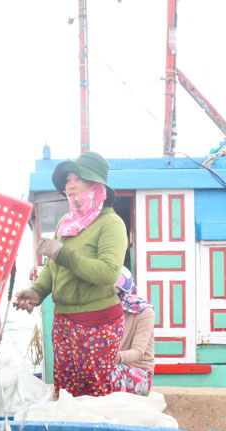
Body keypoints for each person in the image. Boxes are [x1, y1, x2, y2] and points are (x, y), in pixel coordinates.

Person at [13, 151, 127, 397]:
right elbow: (54, 267)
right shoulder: (67, 221)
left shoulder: (111, 224)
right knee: (66, 393)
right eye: (67, 180)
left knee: (97, 395)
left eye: (78, 178)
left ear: (96, 184)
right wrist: (37, 291)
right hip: (63, 322)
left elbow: (108, 273)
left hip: (97, 324)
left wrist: (62, 253)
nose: (70, 185)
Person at [113, 266, 155, 395]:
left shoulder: (144, 312)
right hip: (111, 365)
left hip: (139, 373)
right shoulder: (104, 312)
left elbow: (138, 351)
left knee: (105, 373)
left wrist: (113, 358)